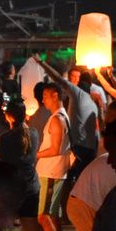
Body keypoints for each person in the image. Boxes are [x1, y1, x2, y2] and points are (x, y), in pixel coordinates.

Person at [32, 81, 72, 218]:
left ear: (55, 96)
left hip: (50, 171)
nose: (43, 99)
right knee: (51, 215)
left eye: (45, 96)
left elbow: (55, 149)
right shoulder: (62, 116)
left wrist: (35, 155)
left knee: (44, 216)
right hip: (55, 170)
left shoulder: (57, 119)